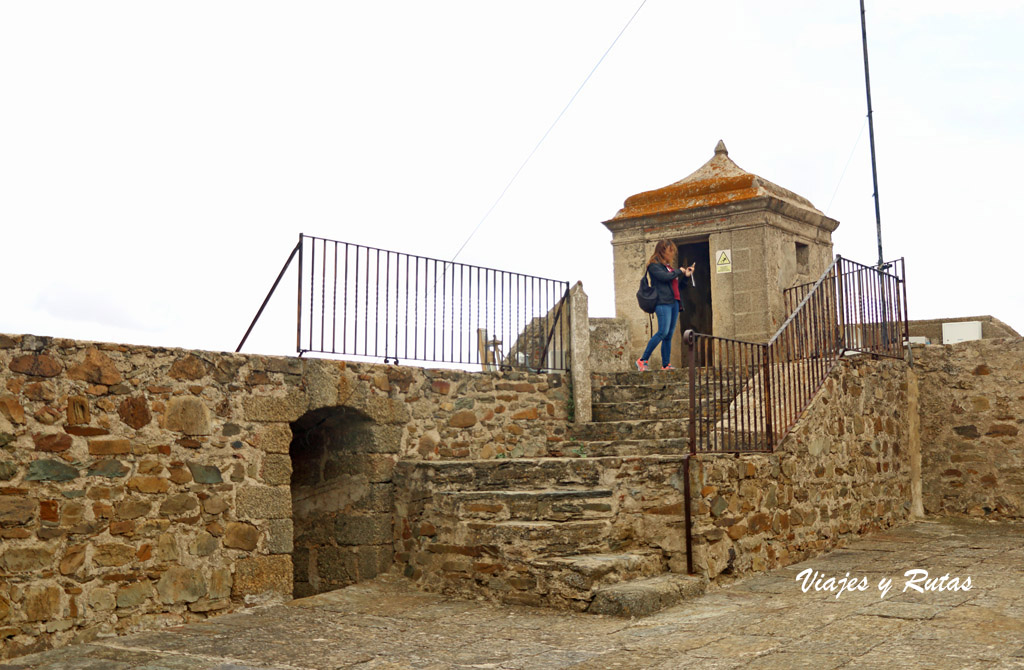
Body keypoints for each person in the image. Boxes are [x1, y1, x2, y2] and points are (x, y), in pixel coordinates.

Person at [637, 240, 694, 371]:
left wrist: (686, 276)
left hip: (674, 302)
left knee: (669, 334)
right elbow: (664, 277)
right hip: (662, 302)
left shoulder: (668, 267)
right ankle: (642, 360)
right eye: (670, 251)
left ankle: (666, 364)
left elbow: (679, 286)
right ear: (662, 251)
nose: (672, 254)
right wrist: (679, 271)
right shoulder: (654, 266)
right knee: (662, 332)